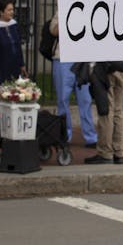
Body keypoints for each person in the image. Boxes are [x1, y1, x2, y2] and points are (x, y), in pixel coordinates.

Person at [48, 10, 98, 148]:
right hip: (62, 58)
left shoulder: (88, 10)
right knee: (63, 99)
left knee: (85, 99)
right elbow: (54, 31)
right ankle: (65, 135)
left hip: (81, 59)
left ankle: (90, 136)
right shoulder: (61, 11)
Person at [79, 61, 123, 164]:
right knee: (118, 111)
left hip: (106, 67)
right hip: (122, 67)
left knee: (106, 111)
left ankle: (105, 152)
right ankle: (118, 151)